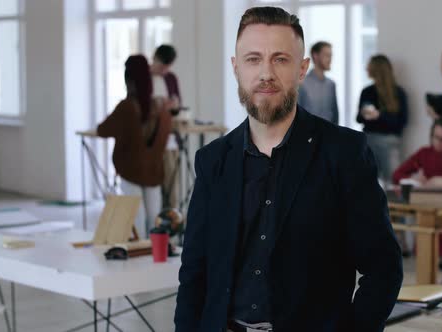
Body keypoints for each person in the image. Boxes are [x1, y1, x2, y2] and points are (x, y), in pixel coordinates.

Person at [174, 6, 402, 332]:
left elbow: (383, 268)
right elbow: (194, 272)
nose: (266, 73)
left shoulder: (344, 153)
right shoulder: (213, 160)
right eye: (253, 59)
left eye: (280, 59)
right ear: (236, 68)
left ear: (302, 69)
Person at [392, 114, 442, 282]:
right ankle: (440, 279)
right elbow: (397, 174)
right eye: (435, 138)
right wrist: (414, 180)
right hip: (433, 214)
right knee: (427, 238)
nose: (439, 143)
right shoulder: (425, 153)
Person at [97, 55, 171, 237]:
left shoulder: (126, 107)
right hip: (153, 171)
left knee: (136, 217)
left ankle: (140, 255)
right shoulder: (161, 109)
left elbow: (102, 130)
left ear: (128, 79)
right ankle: (157, 255)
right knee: (155, 218)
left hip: (131, 171)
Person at [357, 54, 408, 183]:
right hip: (368, 140)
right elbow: (358, 118)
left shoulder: (399, 93)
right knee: (367, 182)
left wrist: (379, 116)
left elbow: (402, 122)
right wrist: (364, 114)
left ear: (376, 69)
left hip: (389, 143)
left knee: (392, 182)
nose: (366, 68)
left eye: (369, 66)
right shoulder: (367, 91)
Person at [150, 44, 182, 210]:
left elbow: (177, 107)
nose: (163, 70)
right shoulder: (142, 78)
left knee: (171, 187)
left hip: (168, 139)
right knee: (153, 187)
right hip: (148, 142)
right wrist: (159, 107)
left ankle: (172, 224)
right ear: (154, 58)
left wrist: (174, 105)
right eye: (161, 66)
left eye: (167, 67)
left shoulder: (171, 78)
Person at [297, 41, 339, 124]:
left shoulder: (331, 84)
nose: (330, 59)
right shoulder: (302, 83)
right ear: (315, 56)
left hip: (328, 134)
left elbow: (335, 115)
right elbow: (297, 115)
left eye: (331, 56)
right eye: (327, 55)